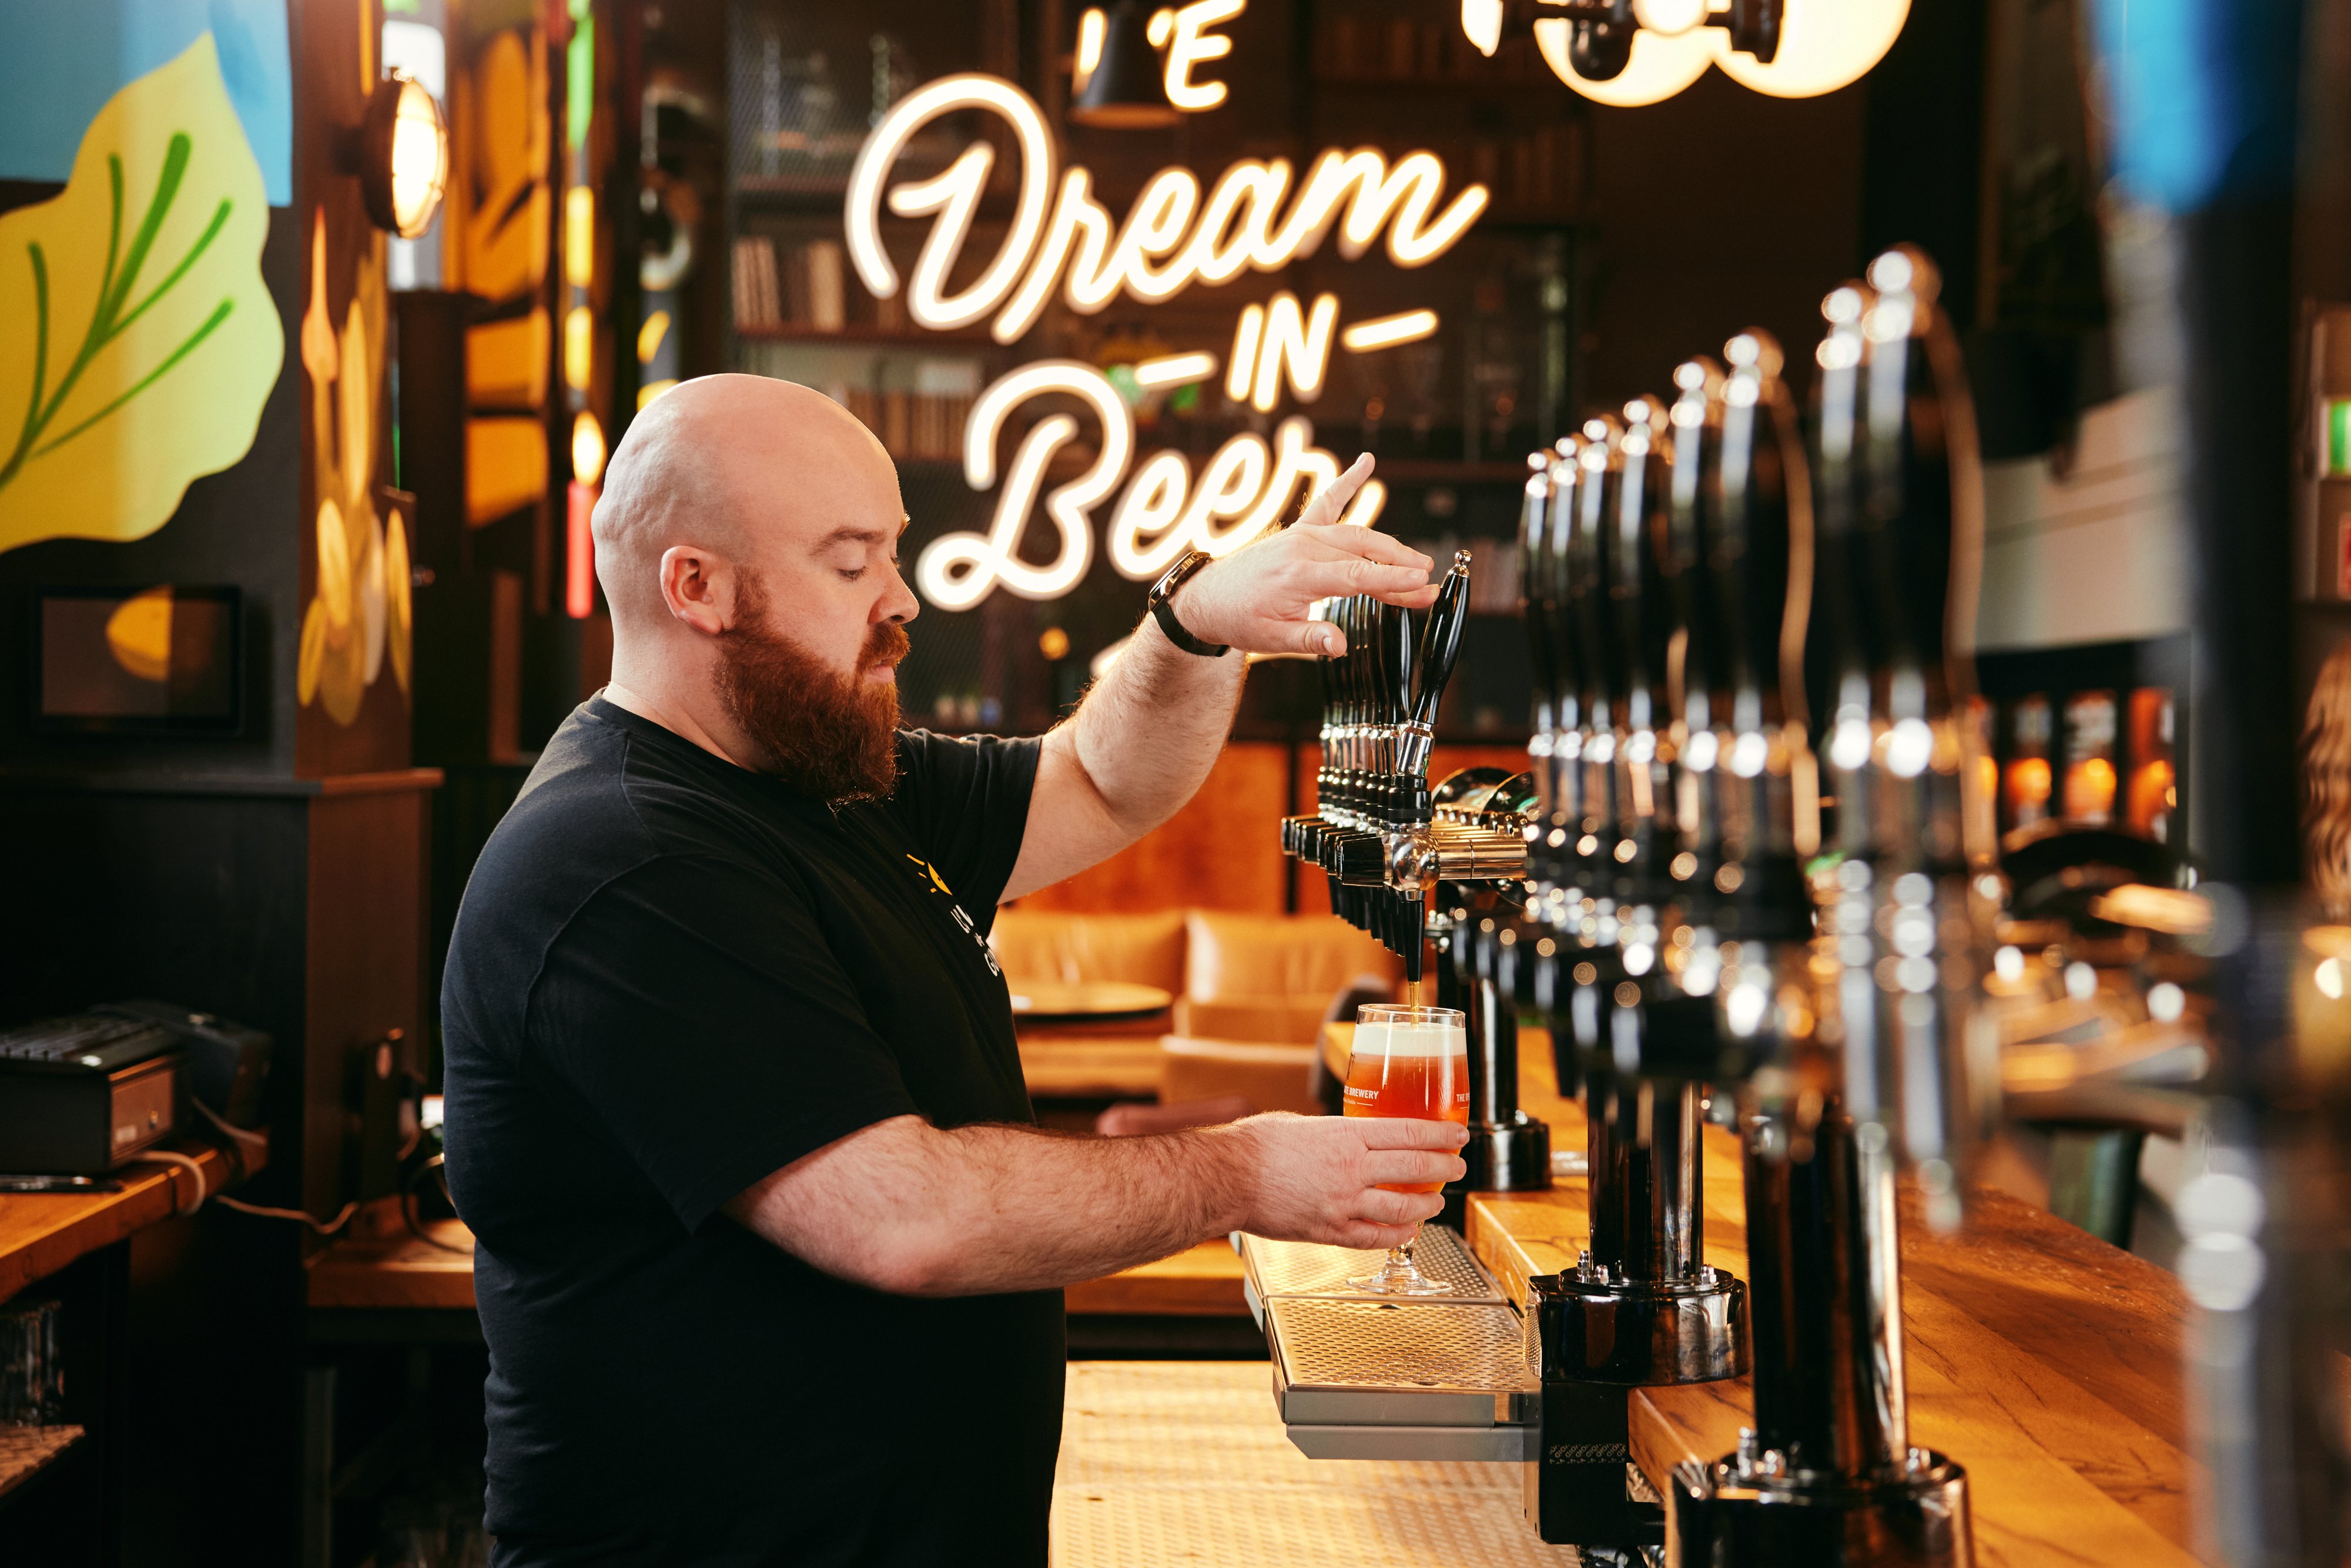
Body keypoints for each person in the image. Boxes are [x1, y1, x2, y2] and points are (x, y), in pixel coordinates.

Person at [440, 374, 1465, 1567]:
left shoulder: (820, 776)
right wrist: (1242, 1172)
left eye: (893, 551)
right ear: (696, 587)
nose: (898, 598)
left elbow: (1099, 778)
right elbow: (905, 1218)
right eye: (848, 561)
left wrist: (1194, 622)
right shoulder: (624, 859)